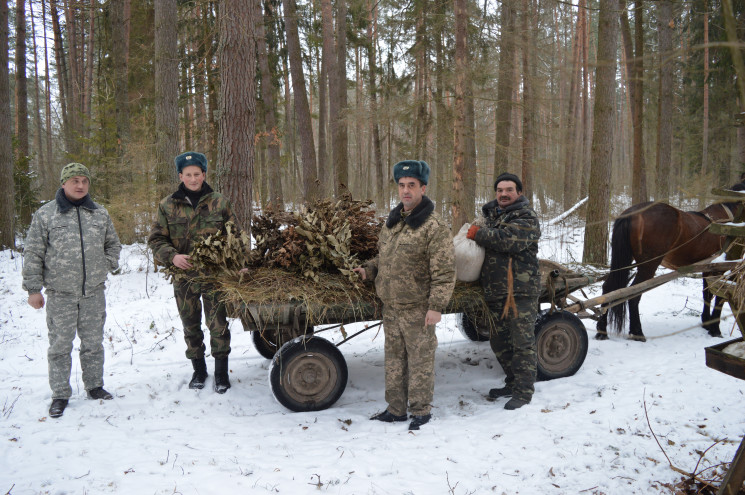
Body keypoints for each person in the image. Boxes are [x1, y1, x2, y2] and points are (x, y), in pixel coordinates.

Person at [354, 160, 455, 430]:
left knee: (420, 361)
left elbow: (444, 272)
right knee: (394, 361)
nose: (406, 191)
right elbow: (384, 258)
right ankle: (396, 409)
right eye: (401, 185)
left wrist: (436, 306)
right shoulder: (393, 222)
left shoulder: (433, 227)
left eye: (412, 185)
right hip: (392, 307)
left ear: (423, 187)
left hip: (418, 308)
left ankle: (421, 412)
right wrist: (369, 270)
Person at [22, 163, 121, 418]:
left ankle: (94, 386)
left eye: (84, 181)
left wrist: (105, 265)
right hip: (60, 294)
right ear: (64, 183)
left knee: (93, 344)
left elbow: (113, 244)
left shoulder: (99, 214)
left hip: (93, 293)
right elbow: (33, 252)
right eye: (75, 180)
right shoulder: (46, 215)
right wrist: (33, 289)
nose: (80, 186)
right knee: (59, 347)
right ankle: (60, 394)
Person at [148, 152, 240, 394]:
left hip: (214, 275)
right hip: (184, 277)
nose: (192, 178)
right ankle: (199, 370)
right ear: (180, 176)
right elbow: (156, 239)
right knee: (190, 324)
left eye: (196, 174)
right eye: (187, 174)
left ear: (204, 175)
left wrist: (238, 262)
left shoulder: (219, 202)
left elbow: (235, 236)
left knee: (218, 324)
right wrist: (173, 256)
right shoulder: (168, 205)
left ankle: (221, 373)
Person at [466, 172, 541, 410]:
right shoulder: (492, 216)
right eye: (500, 190)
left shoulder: (526, 217)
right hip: (496, 291)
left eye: (509, 190)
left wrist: (479, 234)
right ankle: (511, 382)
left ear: (519, 192)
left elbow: (509, 240)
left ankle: (524, 391)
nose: (504, 194)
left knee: (522, 343)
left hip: (520, 291)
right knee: (499, 342)